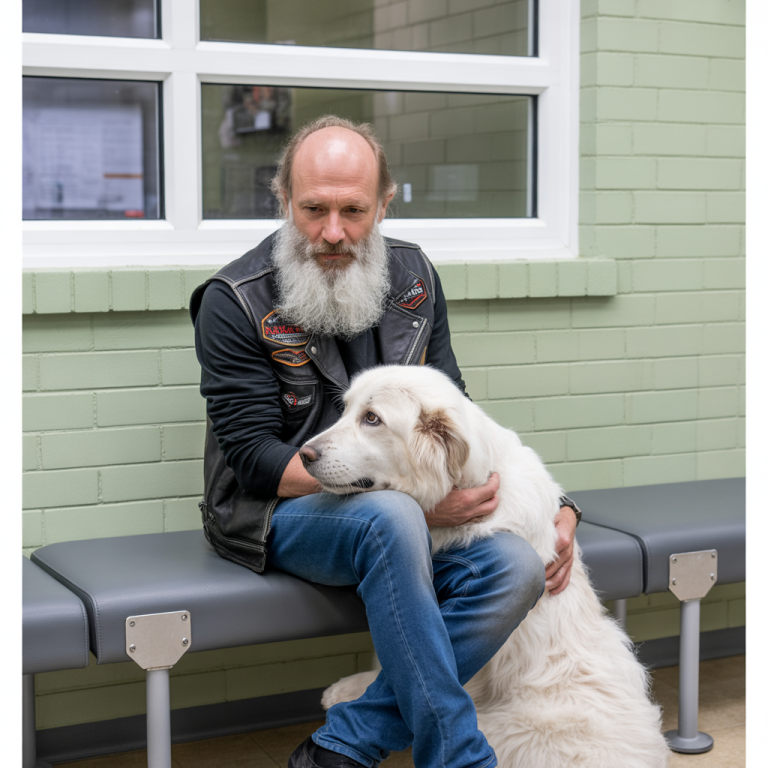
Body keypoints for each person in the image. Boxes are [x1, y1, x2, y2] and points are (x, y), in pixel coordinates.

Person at [190, 115, 580, 768]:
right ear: (284, 199)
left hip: (401, 514)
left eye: (353, 210)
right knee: (393, 514)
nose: (333, 232)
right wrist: (412, 502)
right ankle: (459, 757)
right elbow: (254, 461)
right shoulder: (232, 299)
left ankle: (343, 746)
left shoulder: (415, 279)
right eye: (314, 209)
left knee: (516, 567)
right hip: (277, 513)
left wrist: (561, 505)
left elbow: (462, 416)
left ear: (385, 203)